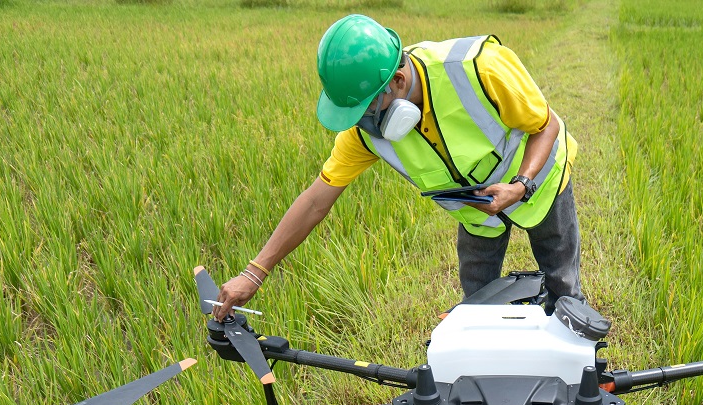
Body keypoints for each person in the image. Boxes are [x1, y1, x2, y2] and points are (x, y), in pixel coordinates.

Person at [214, 14, 582, 321]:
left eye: (366, 112)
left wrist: (521, 185)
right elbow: (315, 201)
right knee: (476, 310)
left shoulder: (478, 67)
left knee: (563, 290)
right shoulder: (366, 135)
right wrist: (255, 272)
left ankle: (580, 376)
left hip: (540, 184)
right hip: (477, 213)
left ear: (399, 82)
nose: (362, 125)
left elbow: (545, 125)